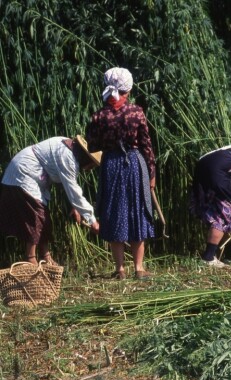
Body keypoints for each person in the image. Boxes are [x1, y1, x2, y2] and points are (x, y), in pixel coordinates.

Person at [86, 67, 156, 280]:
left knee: (114, 212)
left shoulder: (98, 116)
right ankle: (139, 268)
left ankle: (120, 269)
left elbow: (91, 146)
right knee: (136, 211)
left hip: (111, 165)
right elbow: (146, 146)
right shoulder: (136, 112)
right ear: (128, 88)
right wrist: (151, 174)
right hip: (134, 164)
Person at [0, 135, 101, 266]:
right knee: (36, 215)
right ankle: (30, 259)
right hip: (24, 172)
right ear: (86, 157)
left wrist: (75, 207)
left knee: (45, 218)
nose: (89, 168)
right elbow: (74, 190)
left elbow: (66, 183)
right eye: (91, 164)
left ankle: (45, 257)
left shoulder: (69, 150)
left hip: (35, 177)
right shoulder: (67, 157)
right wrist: (93, 221)